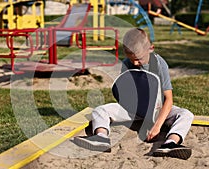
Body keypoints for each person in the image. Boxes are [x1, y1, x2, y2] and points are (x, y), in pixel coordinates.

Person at [74, 28, 194, 160]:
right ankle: (101, 138)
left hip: (157, 110)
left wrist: (157, 127)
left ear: (150, 48)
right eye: (132, 60)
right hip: (133, 109)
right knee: (100, 110)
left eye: (138, 59)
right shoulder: (127, 63)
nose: (135, 63)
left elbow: (169, 100)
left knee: (185, 114)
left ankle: (170, 143)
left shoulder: (159, 65)